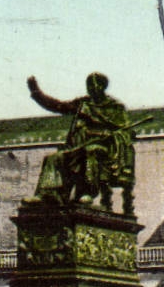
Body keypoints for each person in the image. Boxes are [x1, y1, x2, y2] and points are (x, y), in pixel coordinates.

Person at [27, 72, 139, 214]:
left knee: (91, 151)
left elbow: (127, 133)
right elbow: (58, 106)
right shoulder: (82, 104)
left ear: (102, 87)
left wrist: (109, 134)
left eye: (94, 85)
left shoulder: (115, 107)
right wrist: (36, 92)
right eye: (88, 85)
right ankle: (47, 194)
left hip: (106, 151)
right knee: (53, 158)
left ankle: (87, 192)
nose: (91, 88)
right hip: (79, 147)